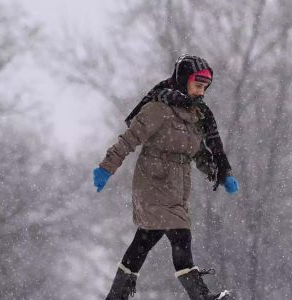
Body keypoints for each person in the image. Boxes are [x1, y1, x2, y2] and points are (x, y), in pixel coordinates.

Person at [93, 54, 239, 300]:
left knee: (144, 240)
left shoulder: (195, 115)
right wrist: (107, 168)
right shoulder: (158, 109)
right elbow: (129, 139)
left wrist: (220, 173)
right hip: (153, 183)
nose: (201, 92)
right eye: (198, 85)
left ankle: (116, 296)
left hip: (178, 189)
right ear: (183, 81)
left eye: (205, 87)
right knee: (181, 235)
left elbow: (197, 153)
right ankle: (200, 296)